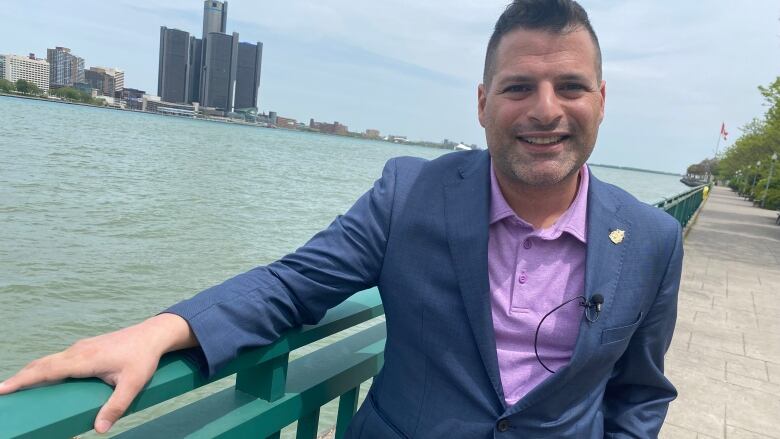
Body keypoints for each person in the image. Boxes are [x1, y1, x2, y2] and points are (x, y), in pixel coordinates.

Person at [0, 0, 683, 437]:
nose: (544, 109)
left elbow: (639, 392)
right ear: (482, 102)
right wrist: (158, 329)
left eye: (569, 87)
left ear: (601, 99)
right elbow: (292, 285)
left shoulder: (654, 238)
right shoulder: (409, 192)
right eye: (518, 87)